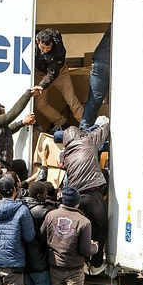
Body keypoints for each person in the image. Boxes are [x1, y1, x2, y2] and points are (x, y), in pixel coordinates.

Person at [60, 117, 110, 275]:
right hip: (92, 192)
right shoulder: (88, 140)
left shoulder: (65, 155)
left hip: (77, 198)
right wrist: (104, 121)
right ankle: (95, 264)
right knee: (102, 226)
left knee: (82, 229)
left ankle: (82, 261)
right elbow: (106, 129)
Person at [0, 87, 41, 170]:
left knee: (20, 165)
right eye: (3, 114)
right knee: (19, 167)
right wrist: (28, 94)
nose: (4, 115)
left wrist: (22, 122)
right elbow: (13, 113)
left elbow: (9, 130)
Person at [22, 181, 55, 285]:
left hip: (25, 262)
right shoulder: (45, 212)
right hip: (40, 263)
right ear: (40, 195)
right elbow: (46, 238)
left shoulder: (22, 208)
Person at [34, 28, 84, 131]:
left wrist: (41, 86)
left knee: (72, 101)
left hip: (59, 72)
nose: (45, 51)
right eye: (43, 48)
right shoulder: (31, 38)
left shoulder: (59, 50)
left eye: (48, 49)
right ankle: (62, 123)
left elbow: (53, 73)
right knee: (40, 105)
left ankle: (87, 127)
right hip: (40, 73)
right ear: (37, 40)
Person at [80, 28, 111, 130]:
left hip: (100, 61)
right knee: (95, 99)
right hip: (105, 63)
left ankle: (84, 130)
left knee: (94, 99)